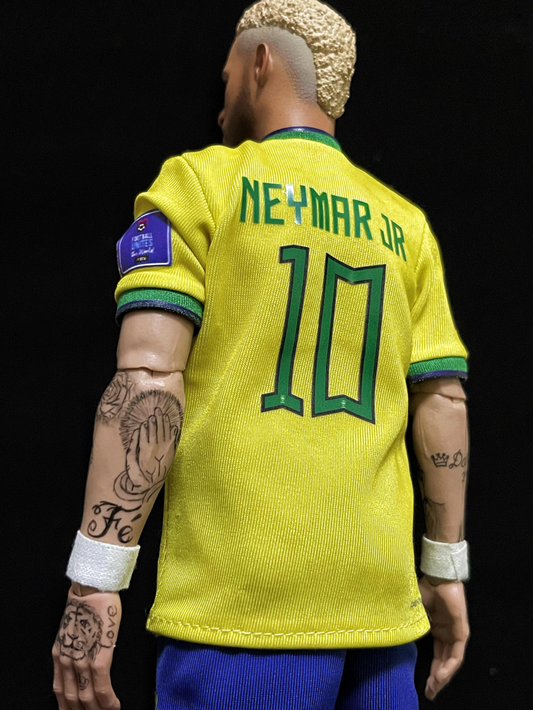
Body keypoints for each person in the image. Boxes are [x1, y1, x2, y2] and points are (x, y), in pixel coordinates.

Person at [52, 1, 470, 708]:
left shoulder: (199, 184)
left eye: (225, 80)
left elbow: (149, 377)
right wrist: (445, 566)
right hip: (380, 604)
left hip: (242, 605)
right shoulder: (406, 227)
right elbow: (444, 400)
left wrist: (95, 578)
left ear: (259, 64)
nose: (220, 105)